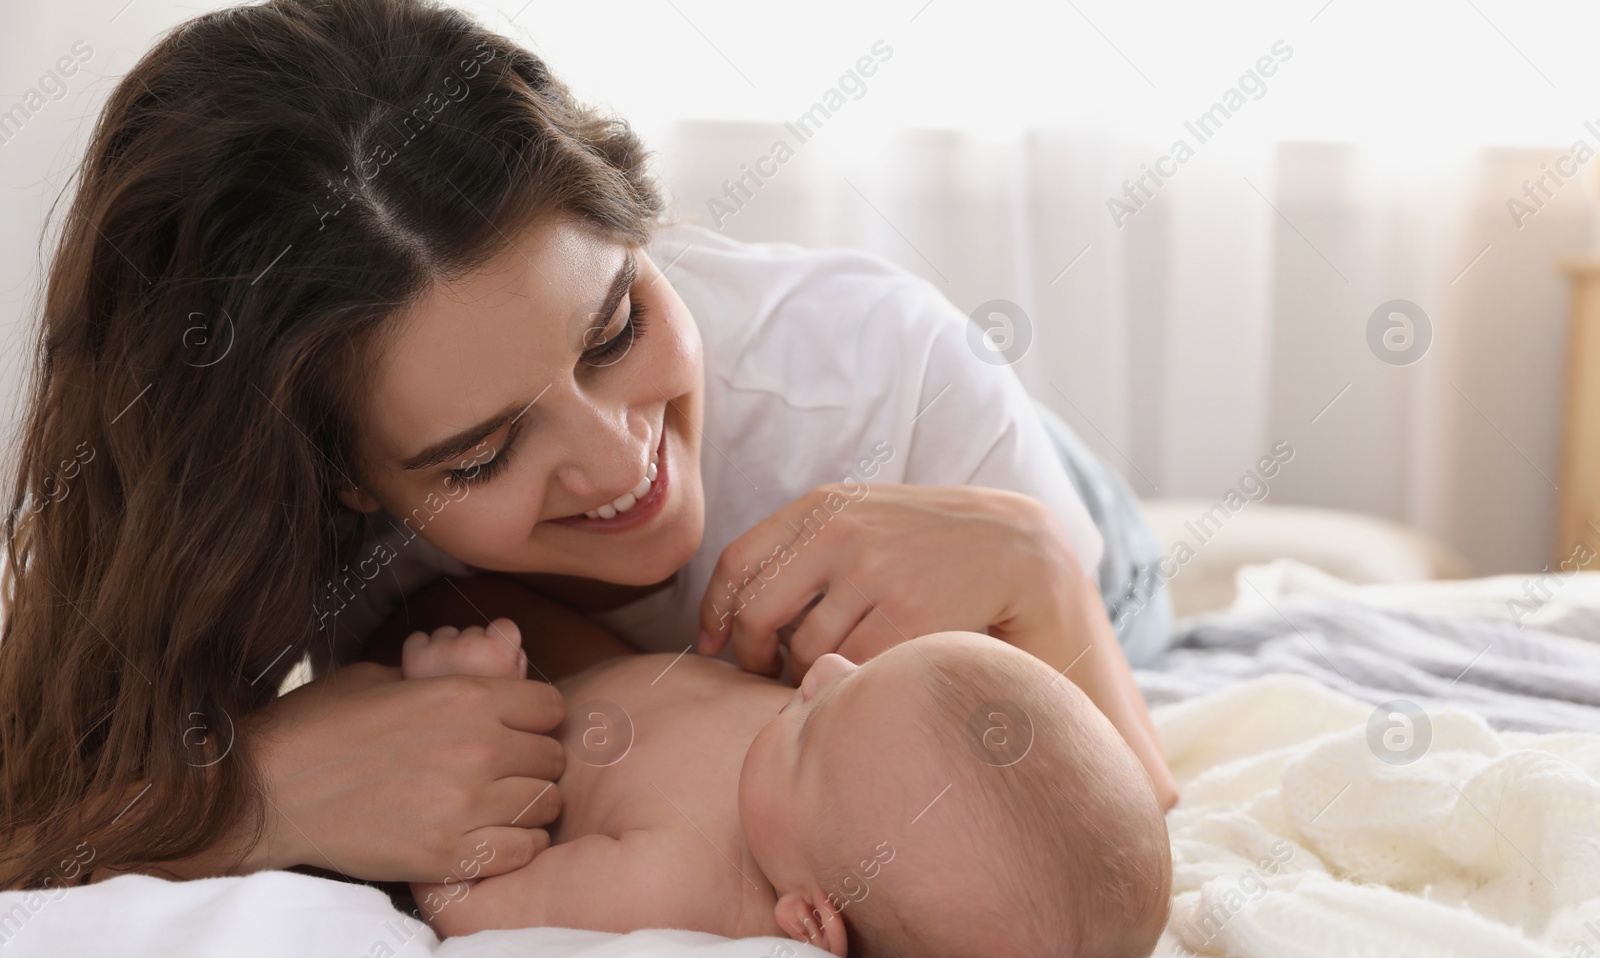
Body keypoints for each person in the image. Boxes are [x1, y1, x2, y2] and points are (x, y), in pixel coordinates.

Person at [0, 0, 1173, 892]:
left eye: (615, 327)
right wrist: (254, 800)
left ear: (638, 223)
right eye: (480, 452)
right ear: (339, 481)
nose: (623, 466)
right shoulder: (279, 506)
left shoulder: (881, 375)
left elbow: (1122, 850)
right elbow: (44, 801)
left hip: (1064, 531)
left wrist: (1042, 572)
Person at [401, 615, 1172, 958]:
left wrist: (454, 703)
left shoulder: (679, 882)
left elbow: (464, 897)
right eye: (866, 670)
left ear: (809, 919)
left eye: (813, 726)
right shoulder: (845, 778)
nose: (824, 669)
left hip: (504, 735)